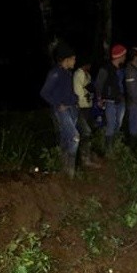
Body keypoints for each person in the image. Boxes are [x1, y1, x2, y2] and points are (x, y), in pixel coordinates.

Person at [39, 42, 80, 179]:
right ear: (66, 59)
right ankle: (69, 173)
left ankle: (64, 174)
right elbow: (44, 92)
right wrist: (58, 104)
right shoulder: (55, 73)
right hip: (62, 111)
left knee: (65, 139)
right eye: (73, 58)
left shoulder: (67, 74)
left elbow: (68, 92)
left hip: (72, 110)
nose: (75, 61)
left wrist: (75, 99)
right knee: (75, 138)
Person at [95, 43, 127, 154]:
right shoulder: (106, 68)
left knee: (118, 124)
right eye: (124, 55)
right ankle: (108, 150)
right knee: (111, 124)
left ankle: (115, 146)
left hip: (120, 100)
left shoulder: (121, 69)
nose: (125, 57)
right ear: (119, 56)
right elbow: (99, 84)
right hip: (110, 101)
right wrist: (99, 98)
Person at [72, 57, 101, 169]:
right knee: (85, 132)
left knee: (88, 132)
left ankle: (86, 157)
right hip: (80, 107)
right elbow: (83, 89)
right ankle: (84, 160)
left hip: (87, 106)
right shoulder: (79, 74)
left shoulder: (86, 74)